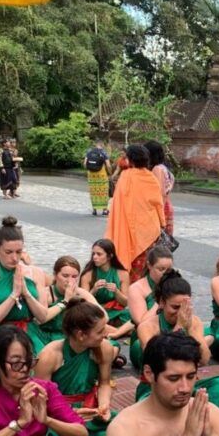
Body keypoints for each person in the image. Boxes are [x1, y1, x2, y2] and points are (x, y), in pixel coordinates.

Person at [135, 269, 219, 417]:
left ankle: (203, 419)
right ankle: (205, 415)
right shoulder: (147, 327)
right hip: (155, 389)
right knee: (151, 410)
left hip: (185, 388)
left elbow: (204, 360)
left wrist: (191, 329)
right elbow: (159, 360)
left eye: (184, 307)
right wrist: (179, 327)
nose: (180, 312)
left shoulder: (194, 322)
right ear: (161, 303)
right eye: (175, 307)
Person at [34, 298, 117, 436]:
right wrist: (71, 412)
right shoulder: (50, 356)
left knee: (124, 426)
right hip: (59, 413)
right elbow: (40, 401)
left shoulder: (104, 348)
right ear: (81, 335)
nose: (106, 334)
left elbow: (105, 383)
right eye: (100, 331)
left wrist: (103, 405)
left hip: (90, 410)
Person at [0, 217, 52, 352]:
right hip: (0, 335)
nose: (14, 258)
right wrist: (14, 294)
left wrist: (27, 294)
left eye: (19, 252)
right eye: (8, 252)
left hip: (29, 332)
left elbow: (43, 316)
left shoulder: (36, 273)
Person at [105, 143, 166, 282]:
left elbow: (117, 202)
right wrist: (162, 223)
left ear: (130, 160)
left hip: (126, 228)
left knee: (132, 266)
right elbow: (158, 204)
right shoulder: (150, 178)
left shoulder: (125, 177)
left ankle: (130, 293)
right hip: (148, 230)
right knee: (146, 266)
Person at [126, 245, 174, 371]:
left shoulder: (175, 283)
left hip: (173, 331)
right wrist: (160, 301)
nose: (165, 273)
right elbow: (141, 322)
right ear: (149, 265)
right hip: (144, 337)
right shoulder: (137, 288)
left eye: (169, 269)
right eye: (161, 269)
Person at [37, 255, 101, 345]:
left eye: (74, 276)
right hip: (45, 336)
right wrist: (66, 300)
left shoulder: (81, 293)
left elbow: (103, 315)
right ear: (55, 275)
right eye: (65, 276)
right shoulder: (46, 293)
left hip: (70, 336)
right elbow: (40, 319)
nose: (69, 280)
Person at [79, 238, 133, 337]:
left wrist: (116, 292)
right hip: (95, 313)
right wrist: (93, 290)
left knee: (133, 316)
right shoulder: (88, 274)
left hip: (115, 312)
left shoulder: (122, 274)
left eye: (99, 254)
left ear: (110, 256)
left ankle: (111, 331)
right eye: (93, 254)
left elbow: (125, 303)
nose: (95, 257)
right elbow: (82, 303)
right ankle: (118, 332)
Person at [83, 139, 112, 216]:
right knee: (103, 191)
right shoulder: (103, 152)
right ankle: (104, 210)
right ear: (102, 145)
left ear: (96, 144)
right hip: (101, 174)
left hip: (91, 175)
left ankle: (94, 210)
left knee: (93, 192)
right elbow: (108, 165)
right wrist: (110, 173)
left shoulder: (89, 151)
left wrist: (90, 169)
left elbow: (85, 164)